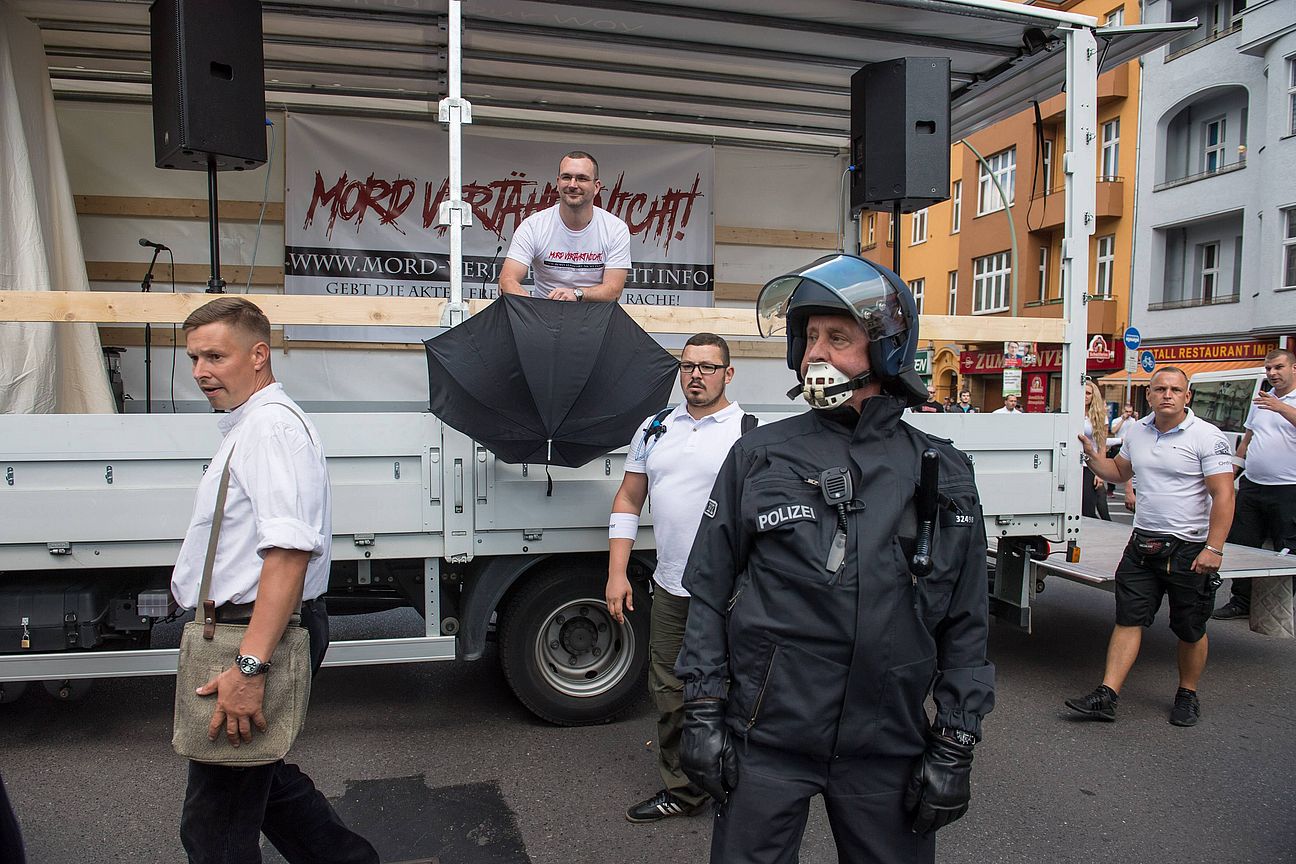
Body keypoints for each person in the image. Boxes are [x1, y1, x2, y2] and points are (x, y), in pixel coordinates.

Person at [676, 254, 995, 864]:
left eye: (838, 338)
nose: (815, 353)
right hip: (767, 738)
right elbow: (710, 592)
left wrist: (956, 739)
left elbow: (967, 618)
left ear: (885, 350)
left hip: (888, 742)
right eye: (810, 337)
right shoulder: (760, 455)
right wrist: (703, 710)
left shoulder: (941, 469)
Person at [173, 297, 378, 864]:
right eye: (193, 358)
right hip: (246, 632)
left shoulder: (268, 430)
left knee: (214, 827)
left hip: (251, 637)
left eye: (215, 355)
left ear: (258, 355)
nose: (200, 372)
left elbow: (288, 555)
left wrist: (247, 669)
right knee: (261, 786)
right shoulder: (253, 425)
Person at [606, 333, 754, 824]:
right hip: (671, 587)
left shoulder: (749, 432)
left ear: (728, 374)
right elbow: (629, 500)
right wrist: (617, 572)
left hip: (732, 593)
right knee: (671, 693)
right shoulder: (654, 428)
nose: (696, 375)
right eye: (689, 365)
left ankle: (742, 786)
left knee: (737, 690)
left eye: (708, 367)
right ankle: (685, 789)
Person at [1066, 366, 1235, 727]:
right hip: (1143, 543)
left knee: (1190, 627)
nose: (1167, 395)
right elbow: (1119, 472)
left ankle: (1187, 694)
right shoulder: (1138, 432)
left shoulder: (1208, 436)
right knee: (1128, 619)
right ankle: (1106, 696)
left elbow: (1223, 494)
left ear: (1187, 396)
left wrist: (1214, 548)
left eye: (1175, 389)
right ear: (1150, 395)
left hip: (1189, 549)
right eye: (1160, 389)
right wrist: (1095, 458)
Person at [1212, 348, 1296, 620]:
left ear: (1293, 368)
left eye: (1278, 367)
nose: (1272, 373)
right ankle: (1241, 601)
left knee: (1287, 550)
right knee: (1243, 544)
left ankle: (1279, 607)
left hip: (1289, 488)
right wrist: (1230, 473)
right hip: (1253, 485)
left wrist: (1282, 407)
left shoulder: (1281, 402)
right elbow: (1247, 440)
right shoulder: (1262, 401)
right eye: (1269, 369)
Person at [498, 151, 632, 302]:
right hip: (544, 317)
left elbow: (613, 291)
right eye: (566, 177)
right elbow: (506, 281)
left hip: (595, 319)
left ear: (596, 186)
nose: (572, 185)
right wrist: (533, 310)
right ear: (558, 182)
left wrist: (577, 294)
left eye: (582, 178)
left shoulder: (615, 229)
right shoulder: (533, 226)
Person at [1081, 380, 1112, 521]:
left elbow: (1102, 446)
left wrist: (1100, 473)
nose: (1085, 396)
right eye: (1083, 393)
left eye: (1088, 393)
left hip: (1090, 465)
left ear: (1094, 396)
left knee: (1087, 506)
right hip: (1070, 463)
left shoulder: (1100, 417)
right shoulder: (1072, 413)